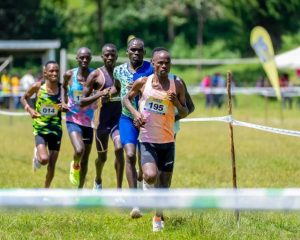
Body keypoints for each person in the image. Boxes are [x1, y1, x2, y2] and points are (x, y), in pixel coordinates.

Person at [124, 49, 188, 231]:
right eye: (160, 62)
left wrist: (176, 103)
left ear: (170, 64)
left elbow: (184, 112)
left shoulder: (177, 85)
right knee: (151, 176)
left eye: (167, 62)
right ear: (152, 63)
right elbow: (126, 99)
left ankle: (158, 218)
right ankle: (145, 185)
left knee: (165, 185)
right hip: (147, 140)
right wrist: (136, 114)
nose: (163, 65)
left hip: (168, 141)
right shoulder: (144, 82)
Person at [109, 38, 153, 218]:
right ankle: (135, 202)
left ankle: (143, 180)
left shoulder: (151, 69)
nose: (136, 53)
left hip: (147, 120)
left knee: (144, 161)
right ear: (127, 52)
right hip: (127, 118)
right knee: (129, 154)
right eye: (133, 50)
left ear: (144, 52)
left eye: (139, 50)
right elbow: (116, 88)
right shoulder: (118, 70)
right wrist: (104, 94)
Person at [80, 43, 124, 189]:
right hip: (101, 122)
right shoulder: (95, 75)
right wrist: (99, 95)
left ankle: (119, 190)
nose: (110, 57)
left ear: (117, 56)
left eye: (112, 54)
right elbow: (82, 101)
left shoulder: (122, 73)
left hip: (118, 119)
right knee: (102, 158)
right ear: (102, 57)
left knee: (119, 149)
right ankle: (98, 179)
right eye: (107, 54)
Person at [20, 61, 63, 188]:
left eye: (56, 70)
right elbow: (24, 98)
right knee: (44, 159)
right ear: (45, 73)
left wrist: (65, 107)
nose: (54, 73)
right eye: (51, 71)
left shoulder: (62, 89)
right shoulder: (38, 87)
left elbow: (70, 104)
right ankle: (37, 156)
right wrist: (30, 109)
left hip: (56, 130)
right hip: (40, 128)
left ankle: (45, 190)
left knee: (52, 164)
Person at [61, 47, 95, 188]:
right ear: (77, 59)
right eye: (82, 57)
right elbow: (63, 87)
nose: (85, 60)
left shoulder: (95, 75)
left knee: (86, 159)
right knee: (79, 150)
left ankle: (80, 191)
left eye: (87, 57)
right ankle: (75, 164)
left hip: (89, 121)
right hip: (73, 118)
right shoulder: (69, 75)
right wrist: (63, 101)